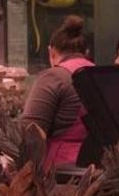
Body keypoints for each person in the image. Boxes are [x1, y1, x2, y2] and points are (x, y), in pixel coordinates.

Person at [21, 15, 94, 168]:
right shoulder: (99, 73)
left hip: (62, 172)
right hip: (100, 166)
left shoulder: (54, 76)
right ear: (86, 52)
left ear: (51, 52)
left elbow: (30, 133)